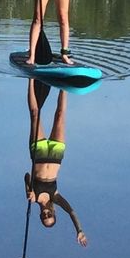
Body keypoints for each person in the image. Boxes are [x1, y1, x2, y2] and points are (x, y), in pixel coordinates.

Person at [25, 78, 87, 246]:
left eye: (44, 217)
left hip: (38, 153)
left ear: (40, 215)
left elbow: (26, 175)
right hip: (56, 155)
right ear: (53, 214)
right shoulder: (56, 197)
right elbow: (71, 212)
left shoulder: (33, 198)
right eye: (50, 216)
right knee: (60, 115)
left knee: (35, 114)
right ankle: (64, 84)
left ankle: (31, 80)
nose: (46, 215)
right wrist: (79, 230)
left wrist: (28, 189)